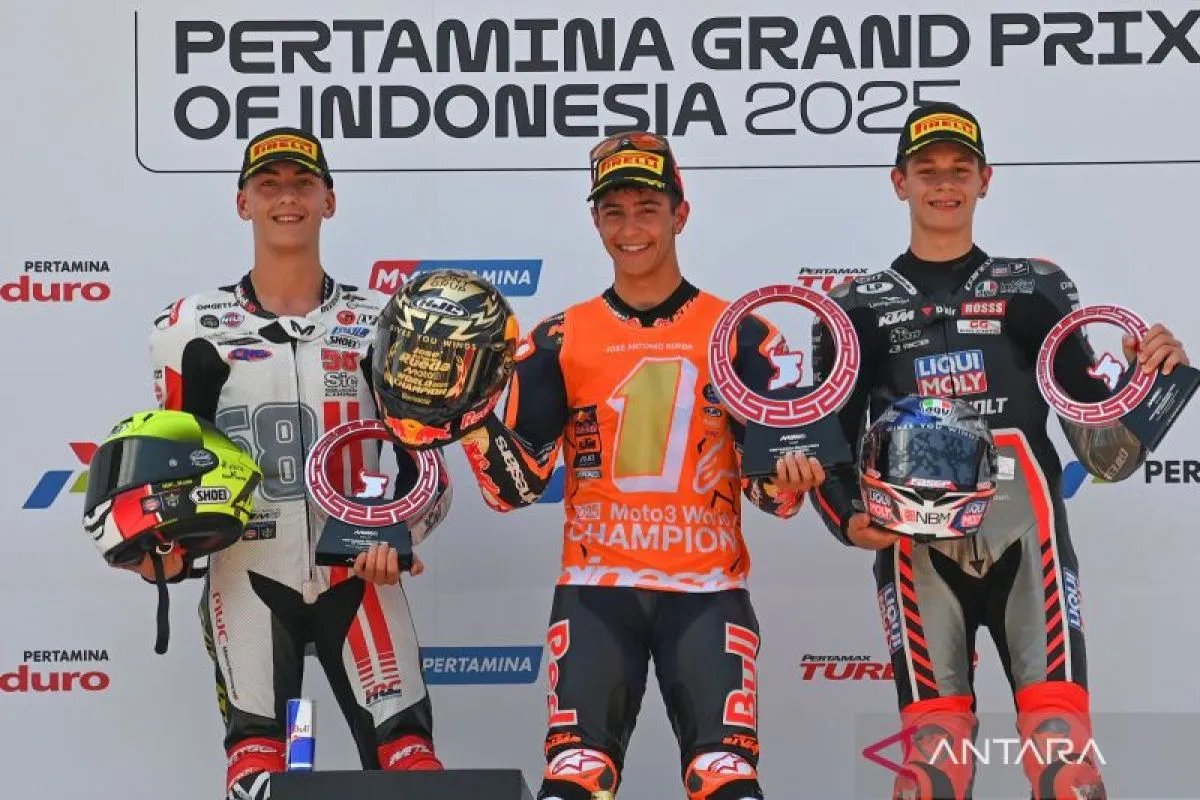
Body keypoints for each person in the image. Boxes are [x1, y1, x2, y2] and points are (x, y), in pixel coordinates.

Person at [809, 102, 1190, 799]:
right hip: (916, 552)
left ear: (985, 180)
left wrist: (1149, 384)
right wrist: (847, 519)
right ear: (899, 182)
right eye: (927, 170)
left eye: (960, 170)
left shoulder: (1035, 287)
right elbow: (826, 443)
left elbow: (1105, 456)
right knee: (930, 773)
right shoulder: (853, 305)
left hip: (1029, 539)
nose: (944, 184)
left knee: (1066, 768)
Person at [458, 131, 826, 800]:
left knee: (726, 782)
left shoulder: (741, 333)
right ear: (596, 221)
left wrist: (789, 477)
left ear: (680, 214)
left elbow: (773, 496)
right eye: (614, 212)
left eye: (648, 209)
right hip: (597, 590)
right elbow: (515, 490)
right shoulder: (559, 338)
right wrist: (469, 422)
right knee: (576, 780)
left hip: (708, 589)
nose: (631, 229)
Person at [133, 127, 451, 800]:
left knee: (412, 765)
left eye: (303, 184)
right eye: (269, 184)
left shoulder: (383, 321)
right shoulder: (189, 326)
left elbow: (427, 468)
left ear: (328, 201)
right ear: (242, 202)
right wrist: (162, 550)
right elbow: (170, 471)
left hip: (360, 575)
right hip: (248, 570)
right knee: (257, 772)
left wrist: (399, 537)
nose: (287, 198)